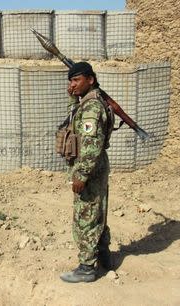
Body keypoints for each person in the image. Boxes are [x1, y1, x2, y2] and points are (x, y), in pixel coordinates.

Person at [60, 62, 114, 283]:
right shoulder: (89, 102)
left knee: (86, 218)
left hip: (90, 171)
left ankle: (86, 267)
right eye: (71, 81)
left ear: (90, 80)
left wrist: (81, 174)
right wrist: (73, 98)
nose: (72, 84)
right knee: (97, 213)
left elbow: (91, 144)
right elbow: (75, 123)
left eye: (76, 80)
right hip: (97, 168)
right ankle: (104, 256)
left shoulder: (92, 108)